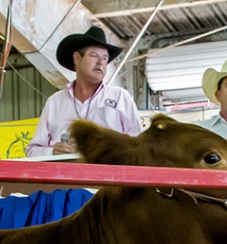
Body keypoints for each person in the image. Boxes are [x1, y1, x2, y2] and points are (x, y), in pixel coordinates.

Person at [26, 26, 142, 157]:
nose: (100, 62)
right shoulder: (55, 102)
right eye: (94, 55)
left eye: (105, 58)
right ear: (77, 58)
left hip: (108, 175)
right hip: (65, 174)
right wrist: (52, 151)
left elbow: (138, 147)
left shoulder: (120, 98)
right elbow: (32, 151)